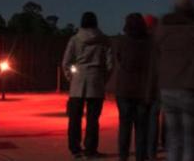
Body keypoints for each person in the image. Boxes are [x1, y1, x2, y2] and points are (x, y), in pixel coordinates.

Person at [154, 0, 194, 161]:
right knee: (191, 140)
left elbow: (156, 58)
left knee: (174, 139)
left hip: (167, 89)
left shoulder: (162, 31)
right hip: (190, 89)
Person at [62, 11, 113, 159]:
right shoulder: (104, 40)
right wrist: (103, 79)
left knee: (74, 118)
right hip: (96, 82)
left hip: (78, 83)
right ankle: (90, 149)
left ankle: (75, 149)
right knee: (93, 119)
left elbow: (66, 62)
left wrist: (71, 77)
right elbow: (110, 65)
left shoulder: (75, 39)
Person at [112, 13, 154, 161]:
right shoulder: (150, 43)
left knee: (124, 126)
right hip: (142, 90)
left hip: (124, 89)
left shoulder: (121, 42)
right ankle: (140, 157)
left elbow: (117, 61)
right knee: (141, 128)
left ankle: (123, 157)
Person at [143, 14, 163, 160]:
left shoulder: (139, 41)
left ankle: (143, 151)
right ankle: (152, 152)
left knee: (143, 119)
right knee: (154, 119)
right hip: (157, 85)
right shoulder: (160, 42)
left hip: (142, 86)